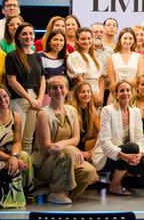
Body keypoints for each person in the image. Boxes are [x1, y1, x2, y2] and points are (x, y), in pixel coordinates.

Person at [33, 76, 97, 204]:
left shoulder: (72, 111)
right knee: (67, 153)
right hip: (46, 162)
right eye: (54, 88)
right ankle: (56, 193)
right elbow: (47, 147)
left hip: (66, 156)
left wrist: (65, 145)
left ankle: (59, 192)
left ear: (67, 90)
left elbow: (76, 139)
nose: (58, 90)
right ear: (49, 92)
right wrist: (69, 149)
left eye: (61, 87)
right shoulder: (43, 114)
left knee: (89, 172)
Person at [93, 80, 144, 195]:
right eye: (121, 91)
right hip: (107, 156)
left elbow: (140, 139)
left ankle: (115, 176)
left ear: (132, 93)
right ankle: (114, 185)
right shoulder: (107, 110)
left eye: (128, 90)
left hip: (127, 154)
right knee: (132, 147)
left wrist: (139, 154)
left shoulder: (135, 111)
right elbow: (105, 142)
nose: (125, 93)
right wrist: (125, 156)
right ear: (116, 95)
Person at [5, 23, 45, 154]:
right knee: (18, 137)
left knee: (29, 139)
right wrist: (30, 99)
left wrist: (39, 98)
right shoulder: (12, 56)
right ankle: (14, 169)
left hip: (35, 98)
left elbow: (42, 78)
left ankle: (27, 172)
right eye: (24, 34)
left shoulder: (37, 56)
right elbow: (12, 81)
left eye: (31, 33)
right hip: (20, 99)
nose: (28, 36)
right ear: (18, 37)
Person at [67, 27, 104, 107]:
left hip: (96, 95)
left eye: (89, 38)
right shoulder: (75, 56)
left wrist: (101, 96)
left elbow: (100, 78)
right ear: (77, 40)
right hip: (83, 94)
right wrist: (92, 96)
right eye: (83, 39)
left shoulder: (95, 57)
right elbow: (79, 79)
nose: (87, 41)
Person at [106, 28, 144, 102]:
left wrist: (124, 88)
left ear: (134, 41)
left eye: (130, 38)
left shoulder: (139, 57)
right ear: (120, 39)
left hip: (133, 95)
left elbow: (139, 79)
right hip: (115, 95)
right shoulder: (111, 57)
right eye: (125, 38)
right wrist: (120, 91)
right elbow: (112, 82)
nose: (127, 41)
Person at [69, 82, 100, 162]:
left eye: (88, 91)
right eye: (83, 92)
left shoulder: (91, 109)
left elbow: (101, 132)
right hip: (73, 147)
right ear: (77, 94)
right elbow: (68, 138)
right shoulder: (71, 109)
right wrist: (82, 153)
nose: (86, 94)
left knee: (105, 143)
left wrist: (93, 150)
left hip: (85, 144)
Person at [90, 22, 113, 103]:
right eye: (95, 32)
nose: (98, 34)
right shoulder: (87, 51)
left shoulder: (110, 51)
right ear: (90, 34)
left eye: (101, 32)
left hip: (108, 90)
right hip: (91, 91)